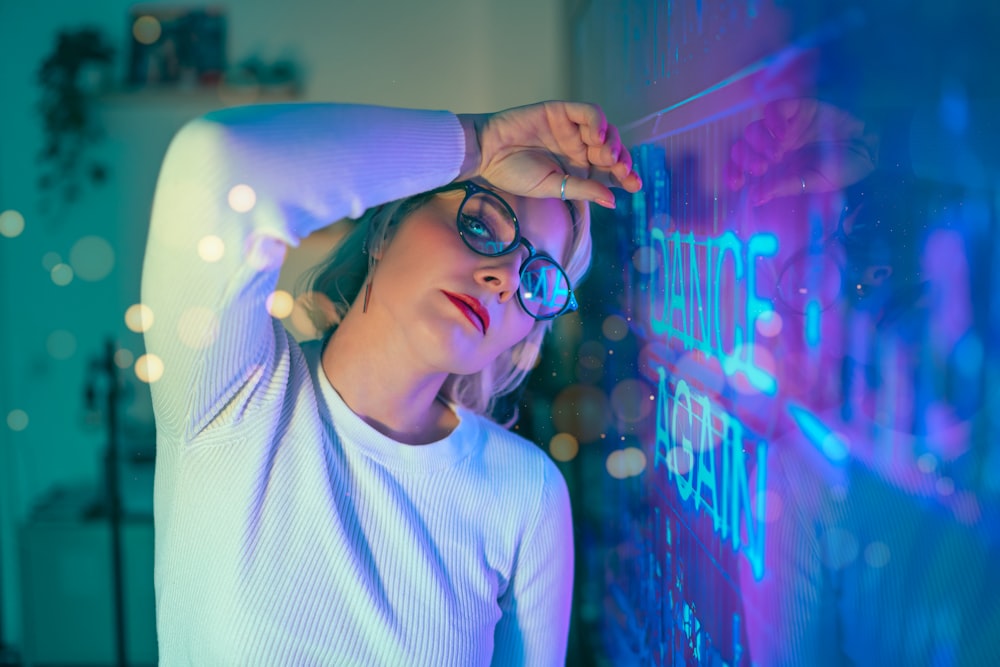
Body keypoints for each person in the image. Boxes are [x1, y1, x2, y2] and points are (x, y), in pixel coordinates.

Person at [141, 100, 642, 665]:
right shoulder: (234, 395)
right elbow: (215, 163)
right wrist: (482, 140)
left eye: (537, 277)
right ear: (385, 228)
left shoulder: (526, 492)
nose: (503, 279)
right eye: (481, 223)